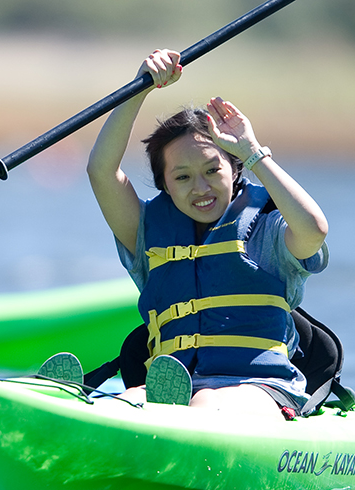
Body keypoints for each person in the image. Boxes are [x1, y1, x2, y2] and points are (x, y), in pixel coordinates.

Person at [74, 49, 329, 418]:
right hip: (171, 386)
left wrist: (253, 151)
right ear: (164, 184)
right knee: (132, 400)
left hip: (258, 389)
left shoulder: (270, 231)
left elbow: (314, 230)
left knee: (204, 402)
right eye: (182, 177)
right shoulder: (146, 231)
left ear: (236, 169)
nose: (201, 188)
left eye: (213, 170)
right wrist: (138, 89)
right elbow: (101, 170)